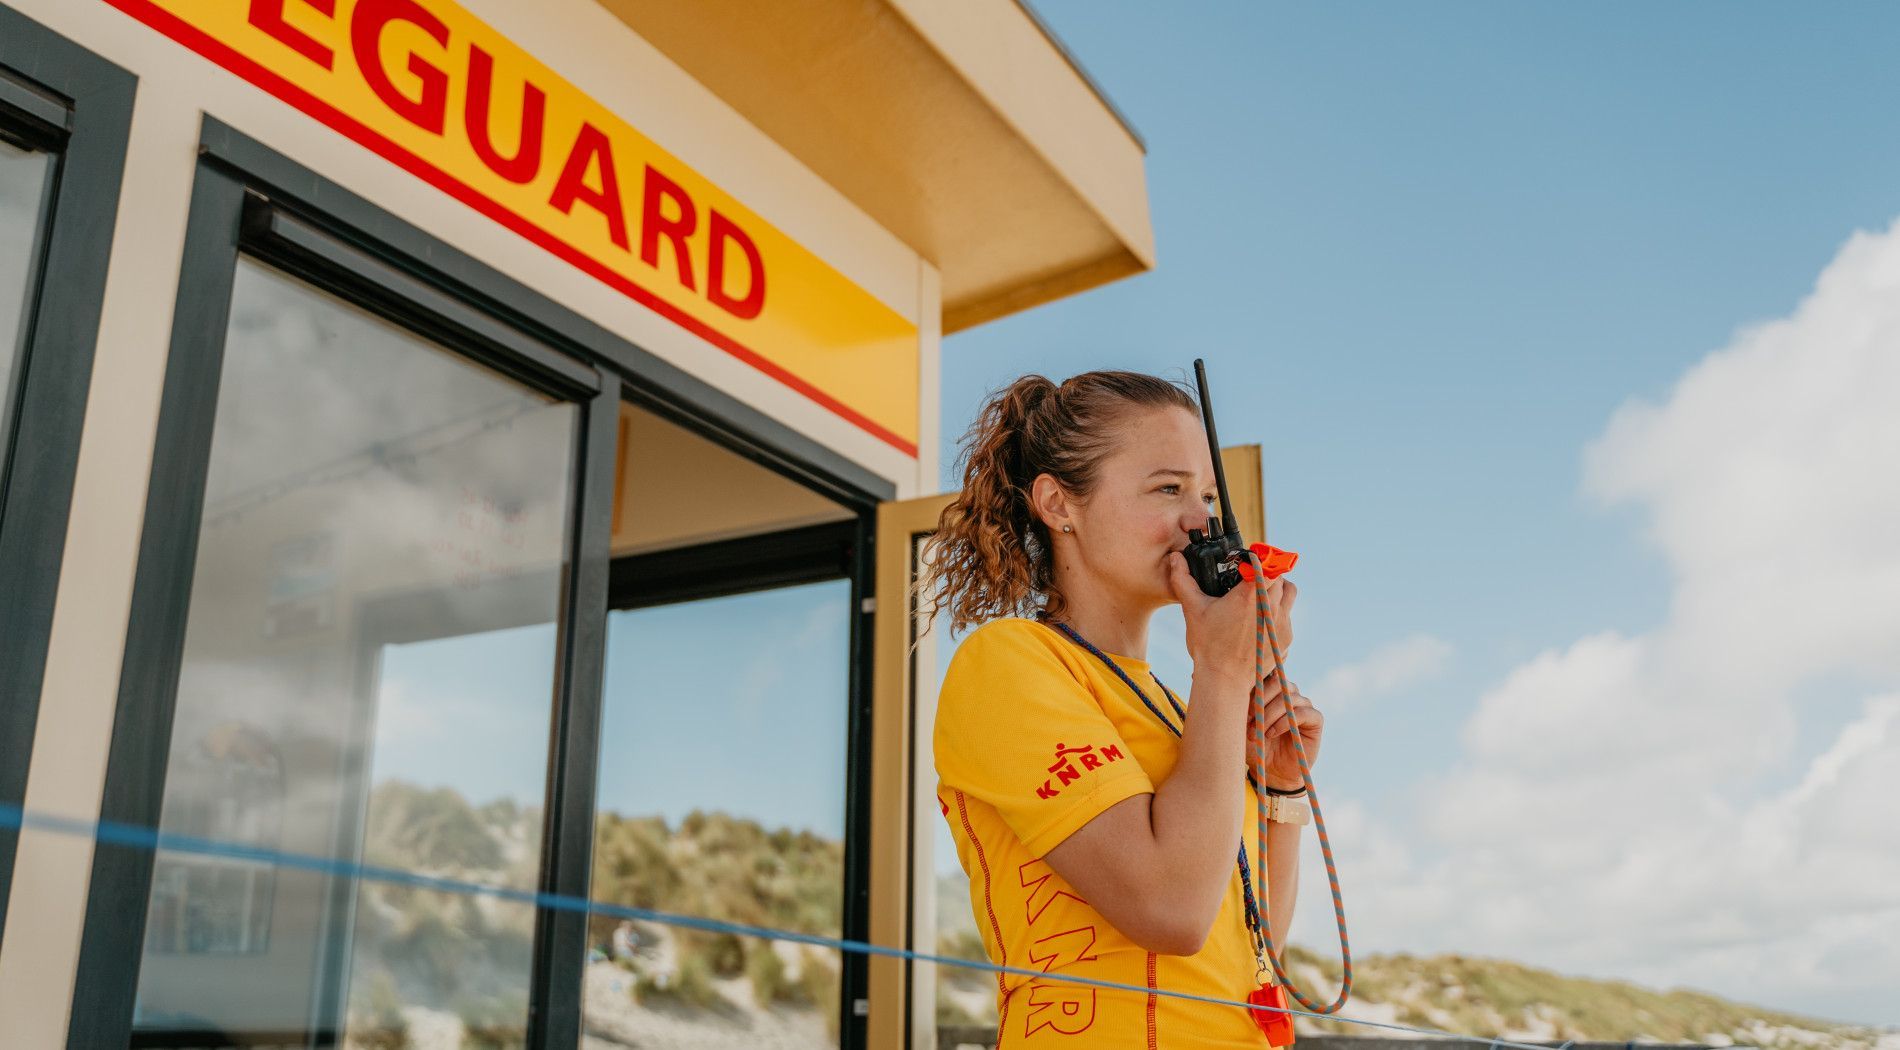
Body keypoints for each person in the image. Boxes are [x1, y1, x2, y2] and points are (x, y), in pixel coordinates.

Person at [925, 371, 1322, 1047]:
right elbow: (1171, 911)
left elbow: (1251, 950)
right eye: (1167, 489)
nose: (1199, 519)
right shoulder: (1008, 663)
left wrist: (1279, 789)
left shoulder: (1181, 706)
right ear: (1058, 504)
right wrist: (1224, 671)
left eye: (1204, 494)